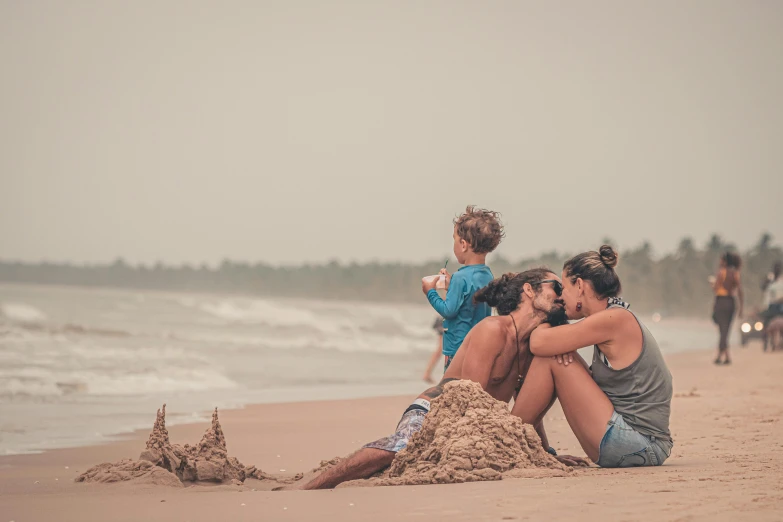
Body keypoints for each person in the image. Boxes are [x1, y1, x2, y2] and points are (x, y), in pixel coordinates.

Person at [302, 268, 585, 490]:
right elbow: (465, 396)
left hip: (475, 424)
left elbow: (528, 408)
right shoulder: (493, 330)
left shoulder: (532, 345)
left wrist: (543, 451)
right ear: (528, 290)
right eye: (556, 287)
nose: (563, 295)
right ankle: (311, 487)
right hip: (436, 411)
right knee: (398, 448)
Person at [510, 245, 673, 468]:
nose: (560, 297)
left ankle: (506, 439)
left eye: (563, 288)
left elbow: (538, 343)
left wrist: (544, 314)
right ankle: (518, 439)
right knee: (557, 352)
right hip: (637, 443)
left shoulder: (613, 320)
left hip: (641, 444)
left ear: (579, 286)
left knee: (549, 356)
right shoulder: (612, 315)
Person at [422, 206, 503, 371]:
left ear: (464, 245)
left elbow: (449, 311)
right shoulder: (487, 274)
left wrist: (430, 292)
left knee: (453, 391)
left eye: (454, 239)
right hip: (479, 347)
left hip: (458, 350)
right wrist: (452, 287)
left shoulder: (461, 277)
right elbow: (469, 301)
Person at [711, 252, 743, 364]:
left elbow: (716, 288)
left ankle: (720, 356)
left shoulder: (722, 272)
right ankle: (726, 356)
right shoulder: (735, 274)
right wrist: (741, 308)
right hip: (731, 302)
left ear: (724, 261)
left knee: (722, 331)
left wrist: (713, 284)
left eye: (721, 260)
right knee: (726, 330)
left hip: (721, 301)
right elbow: (739, 291)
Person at [760, 261, 783, 350]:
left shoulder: (781, 281)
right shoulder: (770, 280)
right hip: (772, 306)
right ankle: (765, 340)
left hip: (781, 306)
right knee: (765, 322)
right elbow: (763, 287)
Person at [422, 317, 445, 383]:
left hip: (444, 318)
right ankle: (427, 374)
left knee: (440, 349)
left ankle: (427, 374)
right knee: (440, 349)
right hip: (446, 320)